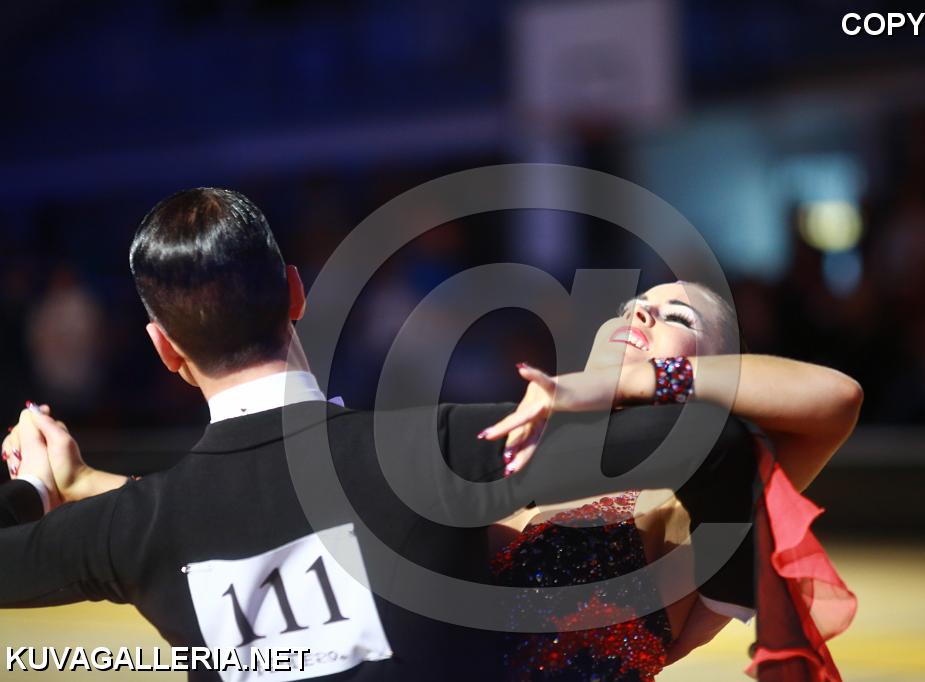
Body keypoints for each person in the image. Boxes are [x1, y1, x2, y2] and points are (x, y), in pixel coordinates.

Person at [0, 187, 764, 682]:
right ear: (295, 293)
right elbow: (718, 447)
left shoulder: (139, 530)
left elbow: (235, 515)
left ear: (164, 348)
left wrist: (37, 489)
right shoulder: (429, 450)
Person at [476, 281, 862, 681]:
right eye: (629, 309)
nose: (639, 315)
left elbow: (839, 399)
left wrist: (634, 381)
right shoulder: (504, 451)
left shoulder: (688, 498)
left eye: (678, 318)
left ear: (720, 373)